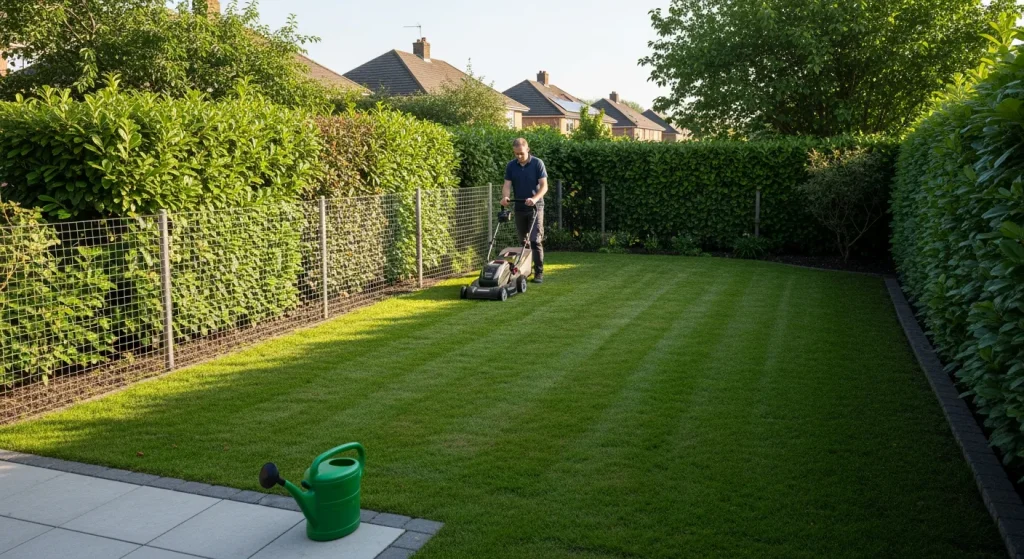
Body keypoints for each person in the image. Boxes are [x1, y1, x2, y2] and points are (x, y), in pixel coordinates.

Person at [501, 137, 547, 283]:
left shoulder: (537, 164)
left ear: (527, 149)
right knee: (523, 241)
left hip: (535, 207)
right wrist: (506, 197)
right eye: (516, 154)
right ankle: (525, 269)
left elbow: (544, 186)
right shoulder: (511, 166)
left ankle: (539, 272)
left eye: (521, 153)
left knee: (535, 240)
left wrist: (534, 198)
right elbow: (507, 185)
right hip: (519, 207)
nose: (519, 156)